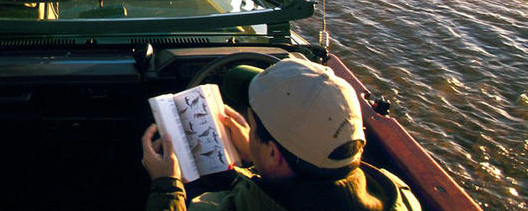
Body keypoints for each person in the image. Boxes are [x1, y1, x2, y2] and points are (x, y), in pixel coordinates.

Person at [141, 58, 421, 211]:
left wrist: (166, 186)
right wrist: (256, 160)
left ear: (275, 154)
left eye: (253, 129)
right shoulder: (399, 194)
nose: (248, 133)